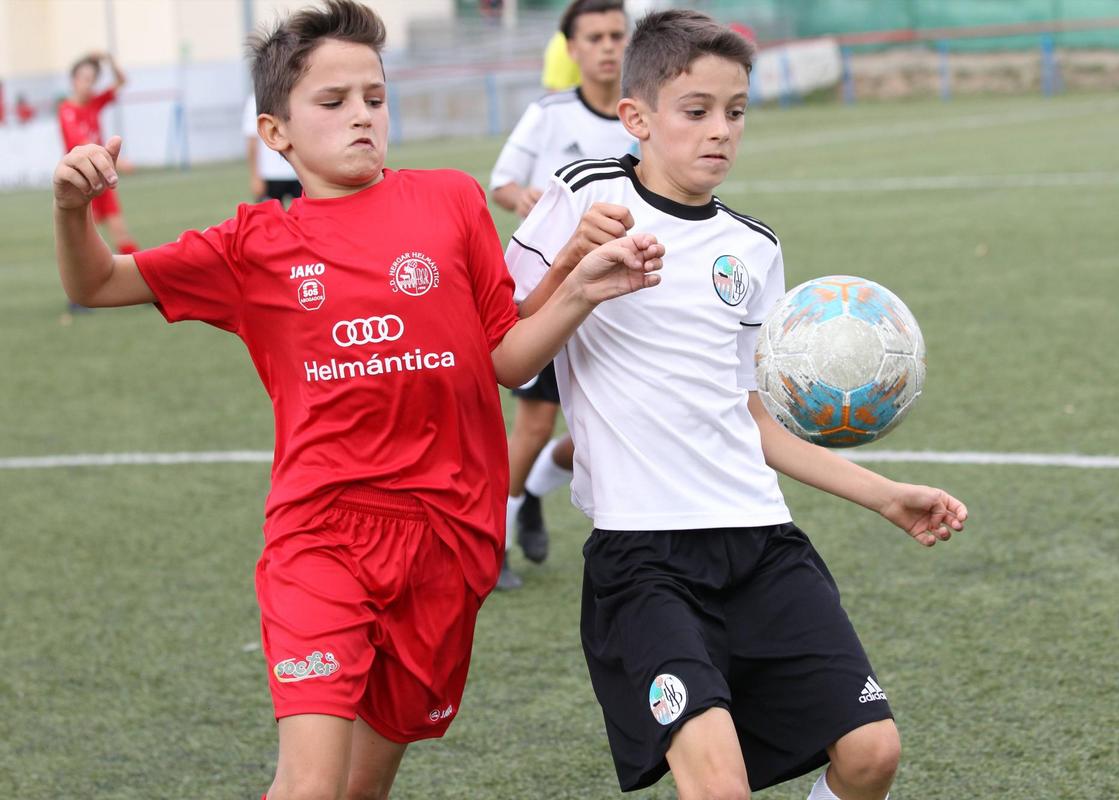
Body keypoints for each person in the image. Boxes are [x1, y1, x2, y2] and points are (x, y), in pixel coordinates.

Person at [50, 2, 663, 798]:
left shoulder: (450, 200)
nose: (362, 116)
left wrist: (577, 288)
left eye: (374, 97)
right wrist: (71, 209)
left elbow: (504, 359)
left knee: (359, 791)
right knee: (308, 788)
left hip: (451, 538)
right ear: (278, 134)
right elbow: (96, 281)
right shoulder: (252, 246)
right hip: (323, 534)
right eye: (333, 103)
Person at [506, 10, 968, 800]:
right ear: (637, 117)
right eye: (697, 111)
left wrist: (886, 496)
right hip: (645, 559)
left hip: (760, 544)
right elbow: (507, 356)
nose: (721, 130)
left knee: (872, 753)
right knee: (716, 783)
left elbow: (752, 418)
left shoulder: (754, 247)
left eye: (737, 111)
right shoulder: (586, 197)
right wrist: (580, 285)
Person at [490, 0, 635, 589]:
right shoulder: (549, 114)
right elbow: (500, 183)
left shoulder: (642, 117)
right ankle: (492, 544)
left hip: (620, 298)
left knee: (606, 425)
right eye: (595, 37)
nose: (607, 47)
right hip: (553, 290)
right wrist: (523, 197)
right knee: (534, 423)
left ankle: (527, 496)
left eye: (617, 35)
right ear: (571, 49)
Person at [58, 52, 139, 258]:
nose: (89, 84)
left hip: (100, 178)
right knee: (83, 242)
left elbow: (122, 81)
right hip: (80, 182)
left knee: (120, 232)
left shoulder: (94, 103)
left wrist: (110, 59)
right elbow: (82, 144)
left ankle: (139, 274)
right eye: (85, 78)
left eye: (92, 80)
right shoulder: (67, 110)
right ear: (74, 80)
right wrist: (118, 162)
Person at [243, 94, 302, 204]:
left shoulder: (297, 94)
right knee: (270, 219)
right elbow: (252, 143)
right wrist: (255, 177)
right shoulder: (256, 101)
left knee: (306, 218)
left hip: (299, 173)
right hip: (270, 174)